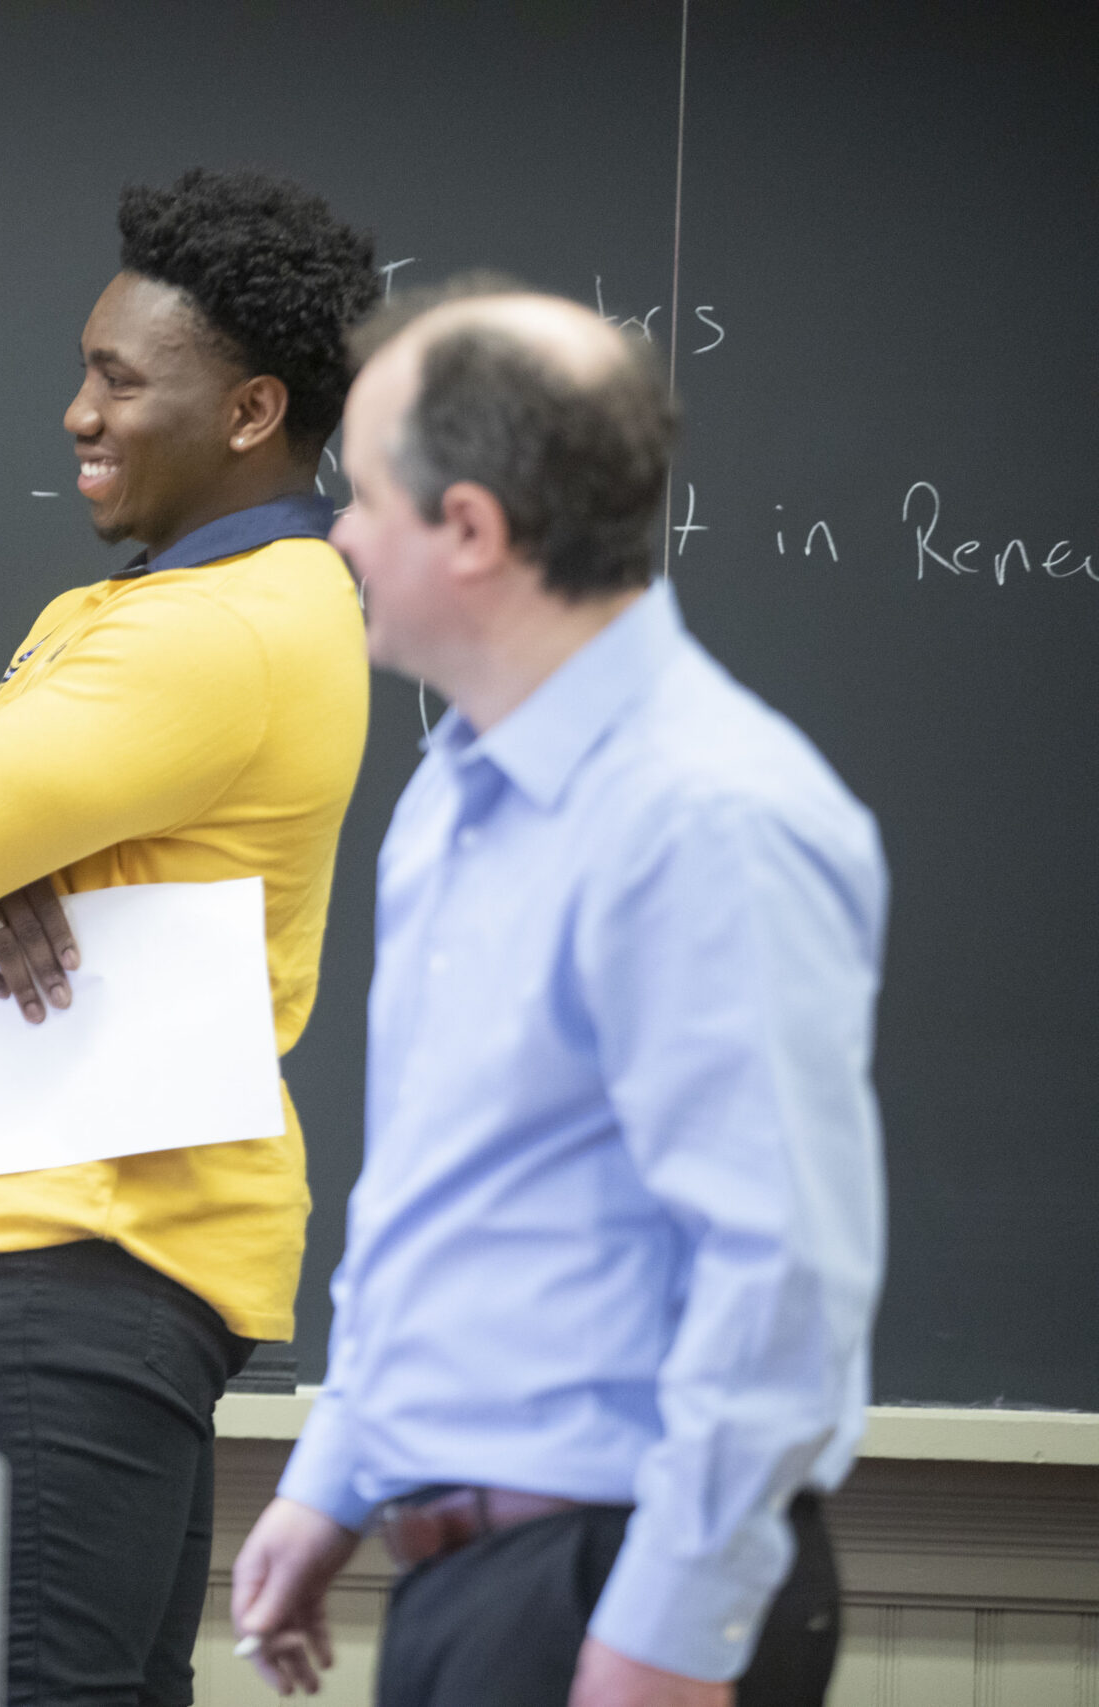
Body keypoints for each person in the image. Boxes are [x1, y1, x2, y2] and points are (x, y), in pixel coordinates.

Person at [227, 283, 885, 1707]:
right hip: (470, 1580)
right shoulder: (456, 797)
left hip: (619, 1593)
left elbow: (778, 1273)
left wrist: (666, 1632)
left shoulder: (707, 817)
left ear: (470, 530)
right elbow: (438, 1198)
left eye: (368, 499)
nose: (337, 533)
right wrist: (334, 1479)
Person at [0, 168, 379, 1706]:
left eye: (122, 379)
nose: (78, 410)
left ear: (254, 409)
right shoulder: (177, 613)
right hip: (82, 1273)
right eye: (86, 368)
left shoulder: (206, 631)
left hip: (56, 1267)